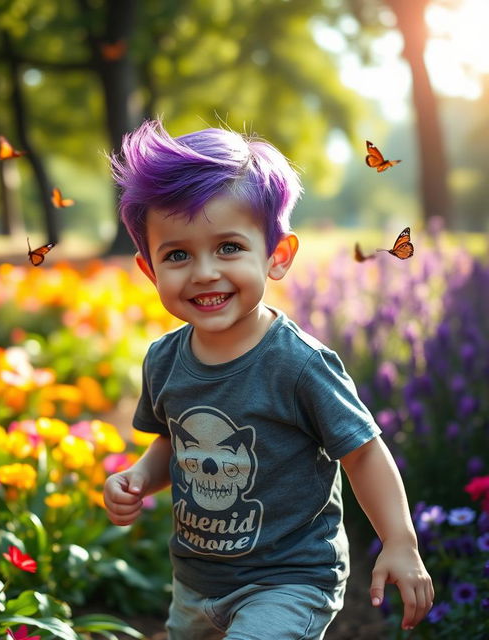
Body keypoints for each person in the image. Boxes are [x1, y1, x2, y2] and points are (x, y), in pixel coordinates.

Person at [103, 120, 433, 639]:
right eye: (178, 255)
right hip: (196, 581)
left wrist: (400, 541)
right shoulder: (163, 360)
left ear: (276, 256)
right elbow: (174, 443)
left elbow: (364, 452)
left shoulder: (299, 365)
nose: (205, 271)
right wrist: (140, 478)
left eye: (229, 247)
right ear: (150, 270)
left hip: (289, 579)